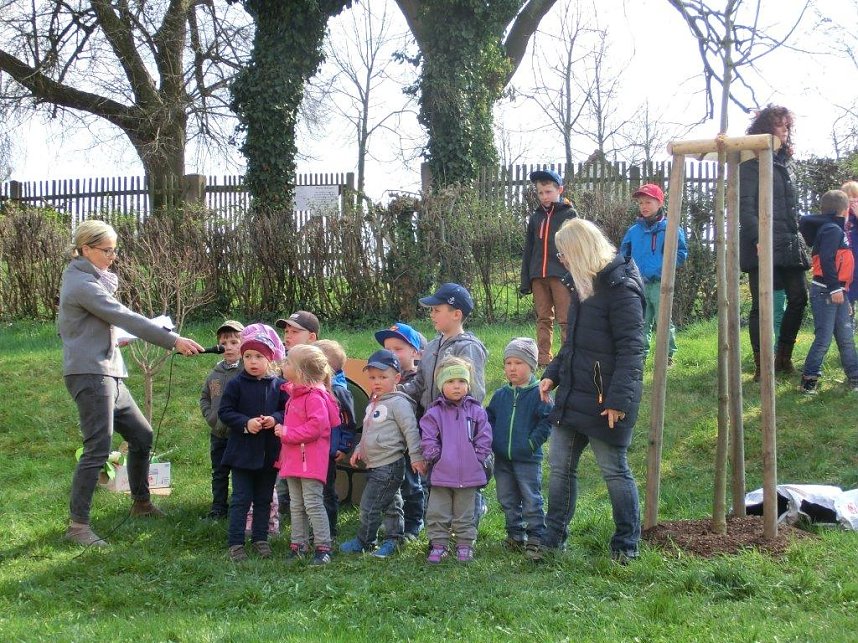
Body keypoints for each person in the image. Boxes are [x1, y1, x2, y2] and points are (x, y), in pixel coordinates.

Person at [59, 220, 204, 547]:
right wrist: (173, 340)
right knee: (97, 448)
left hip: (109, 372)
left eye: (114, 250)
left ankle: (141, 503)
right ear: (86, 249)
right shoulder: (82, 283)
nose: (113, 256)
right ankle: (78, 526)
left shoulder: (91, 279)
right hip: (92, 374)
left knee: (142, 435)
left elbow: (102, 325)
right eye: (106, 250)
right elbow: (123, 315)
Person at [539, 218, 645, 564]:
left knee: (614, 471)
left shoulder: (621, 288)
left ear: (580, 251)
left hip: (604, 401)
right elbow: (575, 342)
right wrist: (552, 374)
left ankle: (626, 545)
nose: (561, 260)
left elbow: (633, 350)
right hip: (573, 395)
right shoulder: (583, 285)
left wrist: (618, 401)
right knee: (559, 469)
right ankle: (553, 540)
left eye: (564, 253)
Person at [398, 282, 490, 522]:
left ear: (456, 314)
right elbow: (419, 383)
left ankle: (468, 525)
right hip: (433, 425)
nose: (432, 314)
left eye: (437, 310)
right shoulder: (432, 346)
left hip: (459, 428)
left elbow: (476, 392)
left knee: (463, 475)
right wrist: (397, 393)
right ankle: (440, 528)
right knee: (437, 474)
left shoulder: (468, 348)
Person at [740, 105, 808, 380]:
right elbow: (745, 207)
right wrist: (758, 238)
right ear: (766, 128)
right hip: (762, 241)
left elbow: (790, 206)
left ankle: (783, 358)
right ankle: (761, 365)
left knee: (799, 298)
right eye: (780, 125)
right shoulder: (750, 163)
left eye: (787, 125)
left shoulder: (787, 162)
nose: (785, 130)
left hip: (789, 239)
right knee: (761, 305)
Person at [340, 350, 426, 558]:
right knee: (391, 504)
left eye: (382, 377)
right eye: (372, 377)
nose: (376, 382)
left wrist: (416, 457)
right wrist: (360, 449)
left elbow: (411, 431)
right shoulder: (374, 402)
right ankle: (394, 539)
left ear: (396, 378)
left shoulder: (399, 403)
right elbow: (369, 431)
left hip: (389, 465)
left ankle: (365, 541)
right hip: (374, 464)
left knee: (369, 506)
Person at [218, 333, 287, 562]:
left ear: (269, 359)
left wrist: (275, 419)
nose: (253, 361)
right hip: (242, 454)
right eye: (248, 356)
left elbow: (286, 410)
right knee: (240, 498)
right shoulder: (236, 383)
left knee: (264, 498)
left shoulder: (278, 385)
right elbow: (225, 411)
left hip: (269, 453)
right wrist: (245, 423)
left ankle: (260, 539)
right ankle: (236, 543)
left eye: (259, 356)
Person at [420, 357, 493, 564]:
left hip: (469, 475)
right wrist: (435, 456)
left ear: (468, 385)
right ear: (442, 385)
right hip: (442, 475)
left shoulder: (476, 411)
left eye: (461, 381)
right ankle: (439, 545)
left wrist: (477, 458)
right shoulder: (434, 413)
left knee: (466, 513)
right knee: (437, 512)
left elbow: (484, 436)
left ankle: (465, 545)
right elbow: (427, 438)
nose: (456, 386)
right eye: (451, 382)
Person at [486, 338, 552, 562]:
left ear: (532, 366)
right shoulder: (500, 395)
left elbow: (546, 423)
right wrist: (493, 440)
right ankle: (515, 534)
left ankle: (536, 536)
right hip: (502, 458)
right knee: (506, 497)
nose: (512, 368)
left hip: (528, 459)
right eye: (508, 363)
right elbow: (489, 418)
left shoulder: (539, 394)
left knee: (531, 498)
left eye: (519, 363)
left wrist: (531, 444)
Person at [275, 344, 340, 565]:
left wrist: (286, 432)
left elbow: (317, 428)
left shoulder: (314, 397)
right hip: (294, 459)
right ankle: (298, 545)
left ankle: (323, 547)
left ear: (302, 371)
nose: (284, 364)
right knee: (296, 504)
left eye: (288, 362)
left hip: (309, 461)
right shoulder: (295, 394)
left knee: (312, 503)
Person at [798, 190, 858, 395]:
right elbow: (827, 259)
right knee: (824, 338)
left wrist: (844, 292)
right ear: (845, 210)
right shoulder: (832, 229)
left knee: (846, 337)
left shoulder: (833, 229)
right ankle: (809, 380)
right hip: (826, 291)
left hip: (838, 291)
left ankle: (855, 378)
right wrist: (834, 288)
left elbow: (842, 265)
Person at [620, 183, 688, 364]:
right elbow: (623, 255)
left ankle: (667, 357)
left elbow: (680, 253)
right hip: (638, 285)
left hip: (661, 284)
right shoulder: (634, 231)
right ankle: (640, 357)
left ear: (660, 203)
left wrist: (664, 268)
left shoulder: (671, 229)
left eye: (649, 202)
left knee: (663, 321)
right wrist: (627, 274)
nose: (644, 206)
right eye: (641, 203)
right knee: (640, 322)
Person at [520, 169, 579, 367]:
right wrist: (526, 279)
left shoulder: (569, 214)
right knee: (543, 318)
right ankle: (544, 359)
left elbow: (576, 245)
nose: (544, 197)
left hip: (561, 274)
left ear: (559, 190)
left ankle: (567, 357)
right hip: (538, 275)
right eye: (540, 193)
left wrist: (575, 273)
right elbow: (529, 248)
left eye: (548, 192)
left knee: (565, 318)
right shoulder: (536, 217)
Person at [375, 321, 427, 539]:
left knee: (411, 483)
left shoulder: (417, 380)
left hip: (410, 442)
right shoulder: (383, 380)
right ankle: (395, 520)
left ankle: (415, 522)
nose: (392, 354)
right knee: (392, 483)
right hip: (389, 442)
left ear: (415, 352)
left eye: (398, 349)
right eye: (387, 349)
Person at [273, 310, 319, 515]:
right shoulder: (282, 365)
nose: (288, 336)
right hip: (283, 434)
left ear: (312, 337)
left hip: (310, 444)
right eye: (286, 331)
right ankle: (281, 505)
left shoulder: (319, 368)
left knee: (311, 496)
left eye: (295, 331)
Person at [199, 319, 245, 519]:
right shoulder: (214, 374)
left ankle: (239, 507)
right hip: (218, 432)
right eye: (224, 343)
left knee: (239, 472)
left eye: (234, 342)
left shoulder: (246, 371)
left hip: (239, 434)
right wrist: (210, 417)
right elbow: (204, 397)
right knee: (219, 472)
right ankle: (218, 507)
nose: (228, 347)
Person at [313, 339, 356, 540]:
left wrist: (344, 445)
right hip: (313, 448)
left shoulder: (338, 391)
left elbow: (349, 422)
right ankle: (316, 526)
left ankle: (329, 528)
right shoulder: (314, 388)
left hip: (329, 450)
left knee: (326, 490)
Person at [840, 181, 858, 313]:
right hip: (847, 265)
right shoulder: (841, 216)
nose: (852, 200)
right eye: (849, 197)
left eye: (855, 197)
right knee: (848, 301)